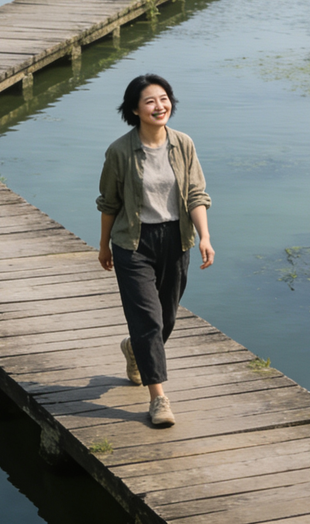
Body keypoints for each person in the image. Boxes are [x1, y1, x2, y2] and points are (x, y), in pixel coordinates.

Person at [97, 73, 214, 428]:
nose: (159, 106)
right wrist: (103, 245)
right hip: (133, 242)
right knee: (148, 320)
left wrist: (204, 236)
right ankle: (158, 399)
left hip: (176, 240)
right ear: (135, 110)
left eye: (164, 99)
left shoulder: (183, 144)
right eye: (150, 101)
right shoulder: (120, 151)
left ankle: (135, 350)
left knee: (167, 319)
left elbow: (195, 194)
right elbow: (109, 203)